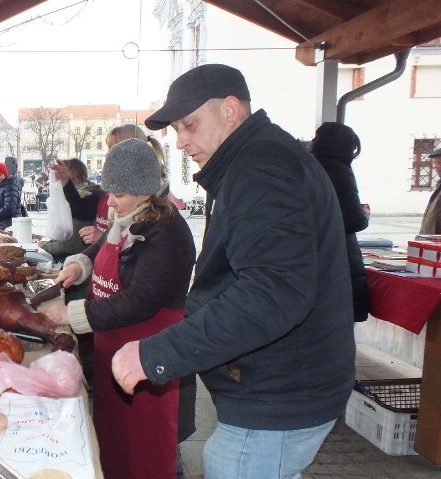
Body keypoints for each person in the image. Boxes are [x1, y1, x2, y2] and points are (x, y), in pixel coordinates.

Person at [112, 64, 356, 479]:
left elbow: (272, 291)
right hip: (280, 388)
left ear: (230, 110)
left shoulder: (262, 168)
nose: (182, 141)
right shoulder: (250, 160)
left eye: (189, 125)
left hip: (277, 397)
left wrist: (158, 353)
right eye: (176, 130)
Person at [44, 139, 195, 479]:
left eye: (118, 195)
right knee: (111, 445)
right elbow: (99, 250)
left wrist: (73, 315)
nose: (110, 202)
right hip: (112, 353)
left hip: (149, 363)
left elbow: (140, 301)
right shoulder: (127, 216)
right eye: (109, 192)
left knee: (145, 452)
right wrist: (79, 266)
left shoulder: (168, 232)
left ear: (145, 191)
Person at [309, 122, 370, 322]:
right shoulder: (340, 170)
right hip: (338, 258)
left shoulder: (310, 164)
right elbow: (353, 220)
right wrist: (365, 213)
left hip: (313, 254)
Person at [40, 158, 101, 262]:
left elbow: (71, 244)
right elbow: (79, 210)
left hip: (74, 260)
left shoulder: (89, 195)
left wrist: (44, 247)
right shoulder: (89, 194)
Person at [0, 162, 23, 229]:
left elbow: (8, 209)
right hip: (4, 224)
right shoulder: (0, 186)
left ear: (5, 174)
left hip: (10, 226)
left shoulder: (10, 187)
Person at [420, 147, 441, 234]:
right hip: (431, 240)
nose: (436, 166)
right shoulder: (440, 184)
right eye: (435, 163)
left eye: (440, 163)